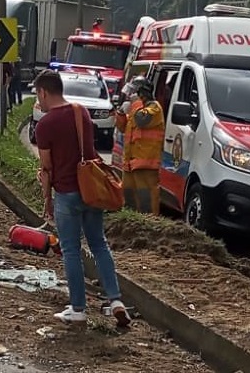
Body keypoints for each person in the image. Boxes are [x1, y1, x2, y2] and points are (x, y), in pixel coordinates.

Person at [33, 69, 130, 327]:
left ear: (43, 91)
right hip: (91, 190)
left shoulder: (45, 125)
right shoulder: (81, 112)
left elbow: (47, 167)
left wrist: (46, 198)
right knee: (99, 244)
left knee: (71, 250)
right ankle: (116, 300)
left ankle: (78, 308)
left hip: (66, 193)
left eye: (37, 95)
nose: (38, 101)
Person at [115, 76, 164, 214]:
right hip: (130, 164)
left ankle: (149, 227)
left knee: (146, 201)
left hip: (146, 164)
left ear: (142, 93)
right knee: (129, 198)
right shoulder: (136, 110)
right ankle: (131, 224)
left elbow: (142, 120)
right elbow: (122, 128)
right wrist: (120, 113)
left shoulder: (154, 108)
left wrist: (135, 104)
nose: (130, 96)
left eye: (134, 93)